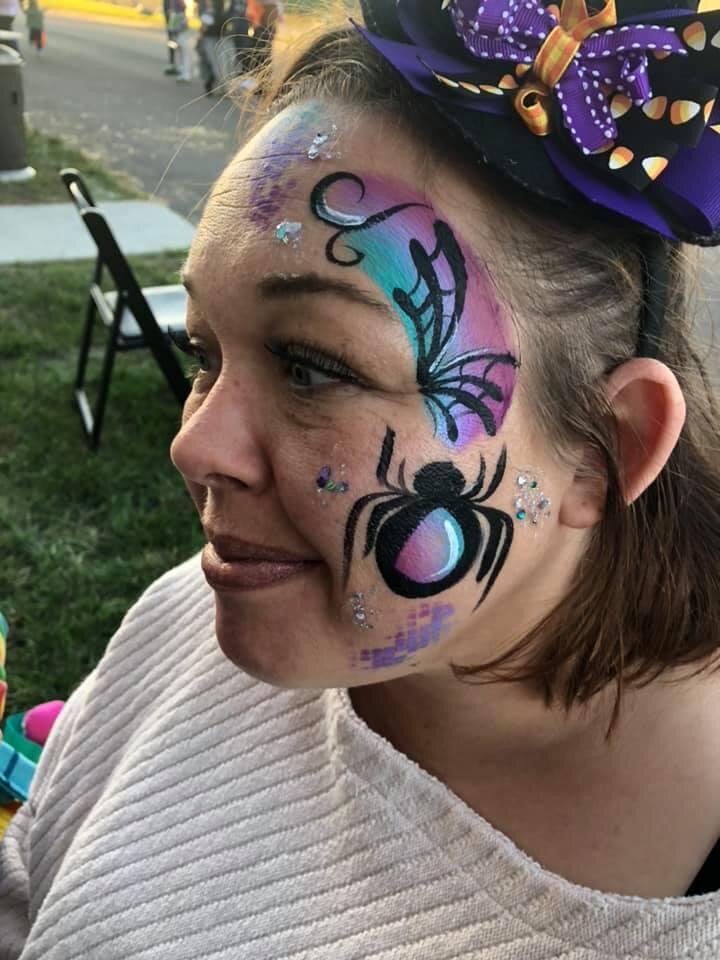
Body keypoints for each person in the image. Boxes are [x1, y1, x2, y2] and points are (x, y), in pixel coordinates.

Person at [3, 0, 720, 955]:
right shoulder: (194, 617)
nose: (193, 446)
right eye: (207, 352)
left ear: (608, 447)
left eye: (312, 366)